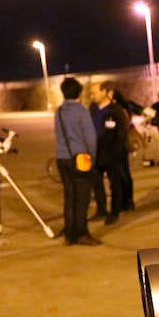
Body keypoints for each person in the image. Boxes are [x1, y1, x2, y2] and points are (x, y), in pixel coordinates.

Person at [54, 77, 99, 246]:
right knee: (82, 198)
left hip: (62, 159)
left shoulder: (58, 112)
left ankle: (69, 234)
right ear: (79, 93)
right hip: (80, 159)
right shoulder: (82, 111)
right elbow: (91, 139)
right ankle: (81, 233)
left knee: (69, 196)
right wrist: (92, 158)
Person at [88, 81, 130, 225]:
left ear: (105, 91)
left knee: (115, 183)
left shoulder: (116, 110)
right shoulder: (92, 108)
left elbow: (122, 134)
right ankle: (101, 210)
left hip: (111, 154)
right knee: (96, 183)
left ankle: (114, 212)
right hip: (95, 153)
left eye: (95, 92)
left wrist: (115, 152)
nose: (92, 96)